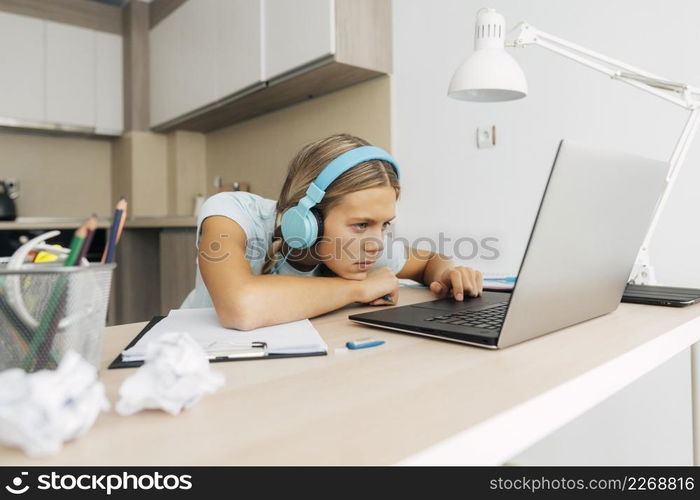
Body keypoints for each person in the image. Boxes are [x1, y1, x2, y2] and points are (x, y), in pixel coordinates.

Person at [181, 133, 483, 330]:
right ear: (308, 220)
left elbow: (430, 261)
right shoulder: (231, 214)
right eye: (362, 225)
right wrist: (358, 289)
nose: (377, 244)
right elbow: (240, 307)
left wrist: (449, 275)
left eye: (385, 224)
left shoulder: (359, 247)